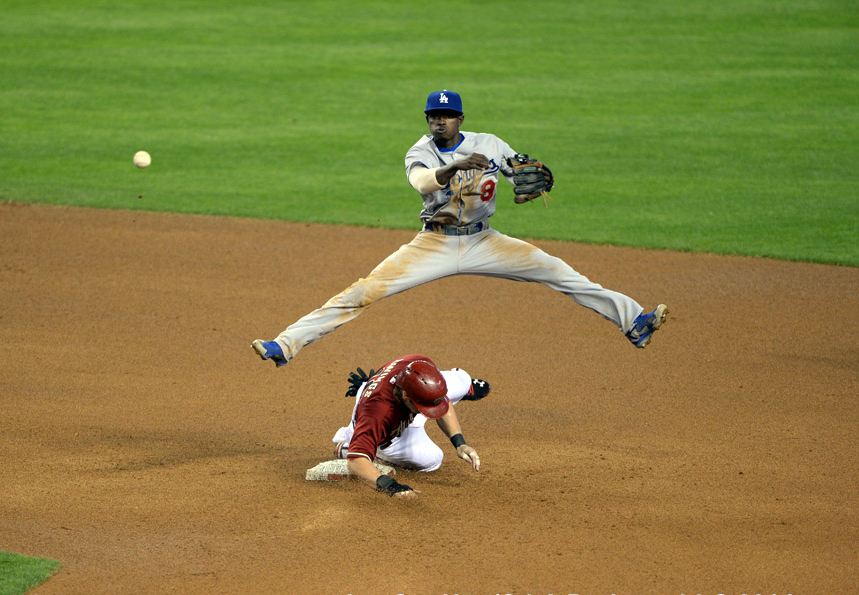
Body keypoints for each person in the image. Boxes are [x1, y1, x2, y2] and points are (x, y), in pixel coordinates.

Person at [252, 90, 667, 367]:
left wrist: (527, 190)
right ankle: (286, 345)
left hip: (485, 240)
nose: (440, 122)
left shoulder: (489, 142)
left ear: (460, 118)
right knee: (362, 292)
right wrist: (452, 166)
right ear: (428, 119)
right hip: (432, 244)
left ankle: (633, 322)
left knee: (558, 270)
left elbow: (519, 175)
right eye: (434, 116)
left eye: (447, 116)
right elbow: (421, 182)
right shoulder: (420, 151)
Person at [331, 354, 490, 498]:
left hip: (388, 397)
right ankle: (351, 444)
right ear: (406, 395)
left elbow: (441, 402)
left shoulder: (419, 364)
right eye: (424, 407)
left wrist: (460, 444)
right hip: (384, 434)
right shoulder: (377, 414)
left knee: (463, 379)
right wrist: (390, 486)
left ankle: (461, 390)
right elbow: (356, 462)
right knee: (433, 459)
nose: (429, 412)